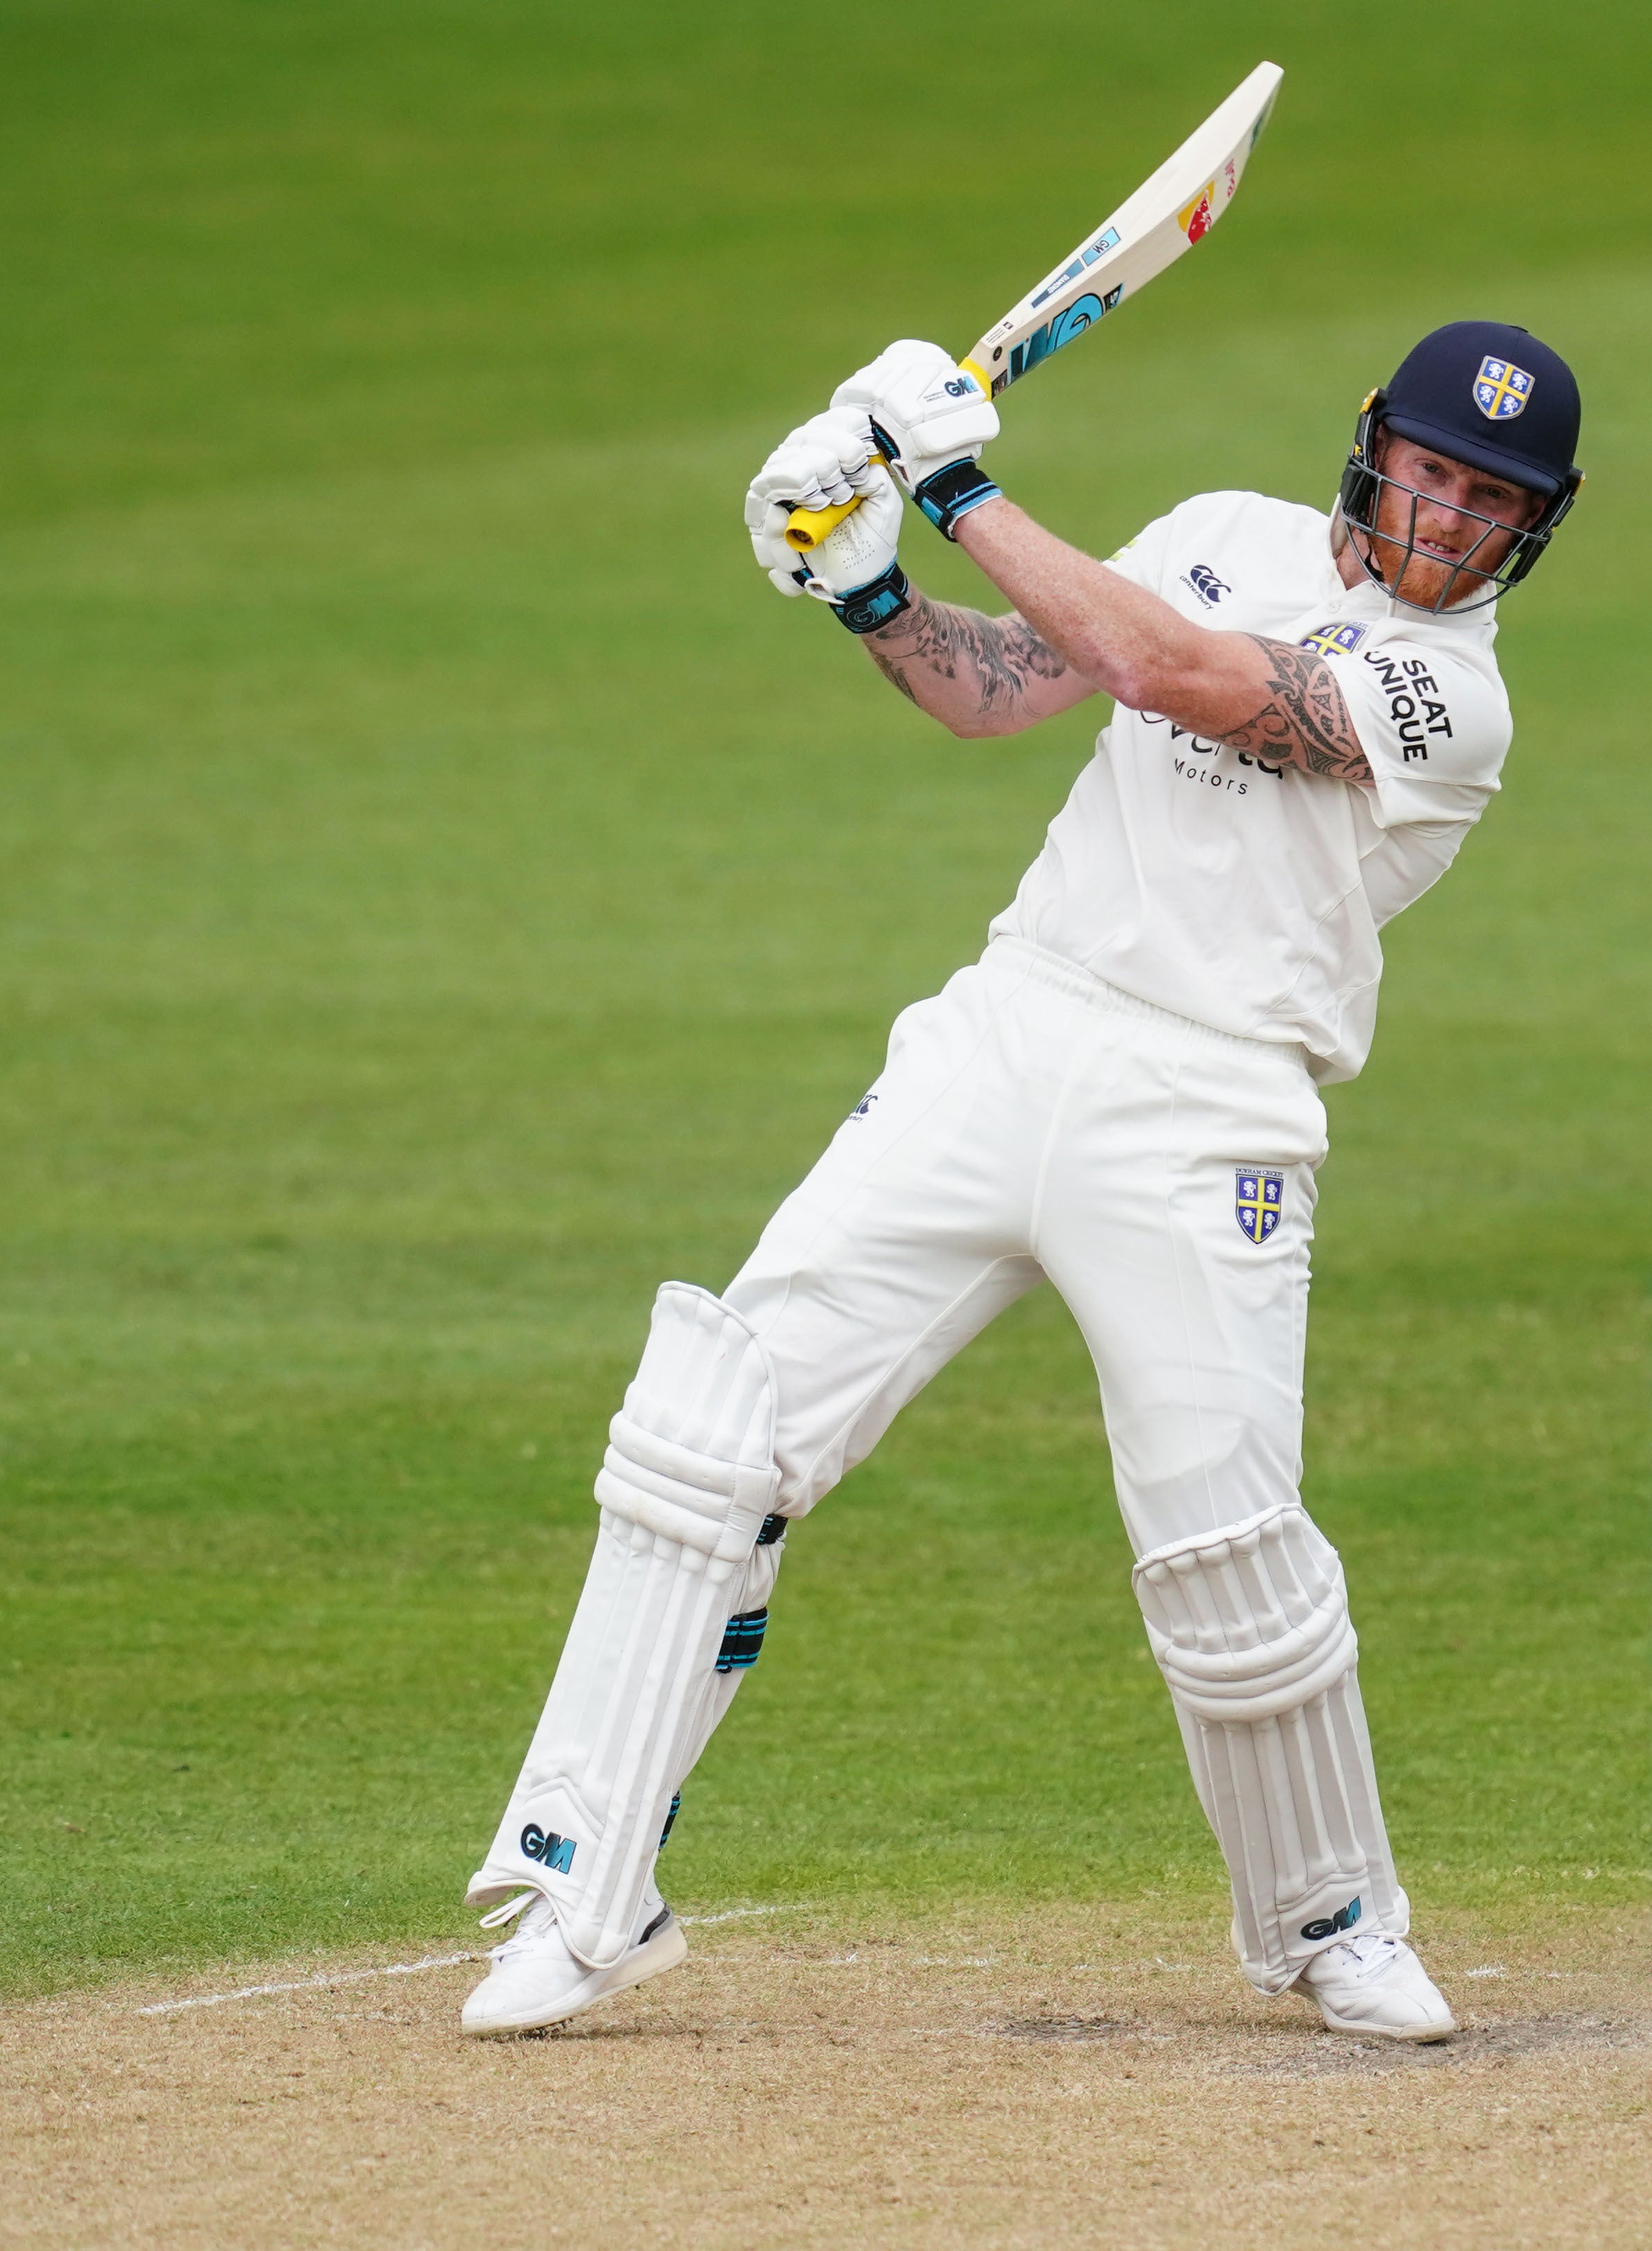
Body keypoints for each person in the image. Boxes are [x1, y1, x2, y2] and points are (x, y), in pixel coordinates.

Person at [455, 320, 1584, 2042]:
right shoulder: (1223, 523)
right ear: (1373, 447)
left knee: (1226, 1543)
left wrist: (959, 478)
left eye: (1489, 501)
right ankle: (579, 1886)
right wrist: (871, 589)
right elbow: (1014, 684)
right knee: (714, 1426)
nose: (1447, 520)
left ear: (1532, 529)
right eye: (1432, 471)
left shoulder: (1459, 692)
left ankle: (1334, 1919)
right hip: (1012, 1022)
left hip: (1216, 1101)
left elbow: (1189, 684)